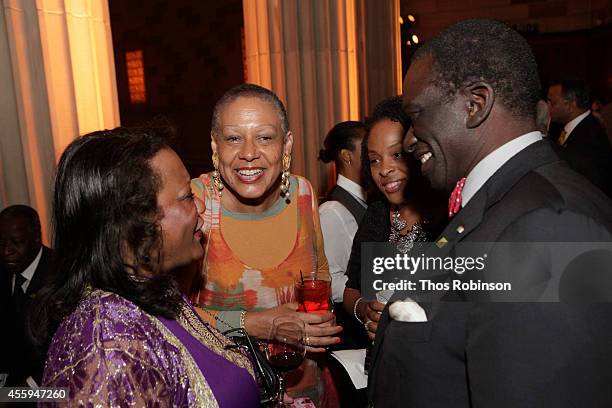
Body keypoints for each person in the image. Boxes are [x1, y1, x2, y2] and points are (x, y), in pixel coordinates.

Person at [369, 19, 612, 408]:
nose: (411, 138)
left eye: (417, 115)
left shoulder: (546, 228)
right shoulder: (506, 199)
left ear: (475, 105)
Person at [33, 127, 260, 407]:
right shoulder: (107, 347)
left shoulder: (157, 291)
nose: (200, 205)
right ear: (133, 222)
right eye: (187, 196)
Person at [189, 84, 341, 405]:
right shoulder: (196, 203)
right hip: (230, 393)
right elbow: (170, 316)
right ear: (215, 145)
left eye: (264, 137)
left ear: (287, 144)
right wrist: (256, 324)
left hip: (306, 389)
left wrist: (318, 319)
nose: (248, 152)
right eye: (233, 138)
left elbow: (321, 276)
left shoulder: (303, 193)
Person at [343, 96, 443, 343]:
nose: (384, 169)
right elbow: (351, 290)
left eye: (396, 155)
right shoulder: (376, 215)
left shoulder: (447, 217)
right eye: (374, 160)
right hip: (380, 363)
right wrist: (365, 310)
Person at [0, 205, 53, 387]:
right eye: (1, 242)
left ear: (37, 238)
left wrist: (17, 396)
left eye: (16, 242)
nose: (6, 250)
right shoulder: (5, 269)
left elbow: (65, 353)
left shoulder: (61, 277)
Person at [318, 120, 367, 305]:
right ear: (347, 156)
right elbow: (329, 281)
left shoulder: (367, 202)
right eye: (368, 149)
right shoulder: (332, 211)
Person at [547, 79, 612, 196]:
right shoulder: (575, 127)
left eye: (552, 103)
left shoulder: (589, 138)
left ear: (571, 105)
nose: (548, 107)